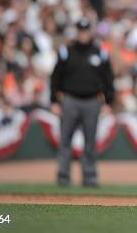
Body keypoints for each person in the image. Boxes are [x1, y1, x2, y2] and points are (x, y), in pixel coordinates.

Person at [50, 18, 114, 187]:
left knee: (90, 142)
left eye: (85, 31)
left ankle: (89, 177)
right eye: (80, 31)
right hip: (70, 100)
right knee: (65, 141)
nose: (83, 34)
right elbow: (55, 77)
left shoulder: (99, 52)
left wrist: (108, 101)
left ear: (90, 32)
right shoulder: (67, 52)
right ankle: (63, 177)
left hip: (92, 101)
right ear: (77, 32)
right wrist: (54, 100)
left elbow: (108, 79)